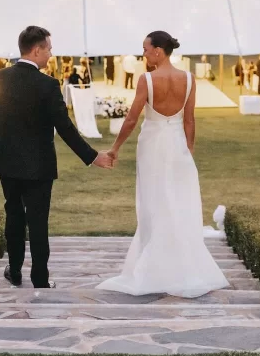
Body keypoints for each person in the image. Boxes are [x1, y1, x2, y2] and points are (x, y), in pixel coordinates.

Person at [97, 31, 229, 298]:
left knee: (153, 201)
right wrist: (187, 151)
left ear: (158, 51)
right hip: (177, 144)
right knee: (178, 200)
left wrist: (115, 148)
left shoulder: (147, 79)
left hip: (152, 146)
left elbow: (132, 119)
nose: (143, 53)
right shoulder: (189, 79)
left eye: (145, 49)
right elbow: (189, 120)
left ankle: (153, 266)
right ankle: (181, 264)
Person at [0, 26, 114, 289]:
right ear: (37, 49)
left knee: (14, 216)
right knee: (38, 222)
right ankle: (39, 278)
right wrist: (92, 156)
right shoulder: (48, 85)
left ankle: (16, 271)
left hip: (8, 165)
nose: (51, 54)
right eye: (49, 49)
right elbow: (64, 127)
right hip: (40, 167)